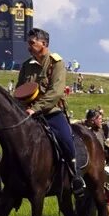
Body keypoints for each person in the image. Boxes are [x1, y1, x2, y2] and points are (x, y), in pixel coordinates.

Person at [15, 27, 86, 196]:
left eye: (32, 43)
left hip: (51, 112)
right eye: (28, 43)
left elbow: (56, 92)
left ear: (44, 44)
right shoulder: (26, 66)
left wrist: (35, 108)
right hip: (28, 113)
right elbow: (19, 90)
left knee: (66, 139)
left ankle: (75, 175)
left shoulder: (57, 63)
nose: (29, 46)